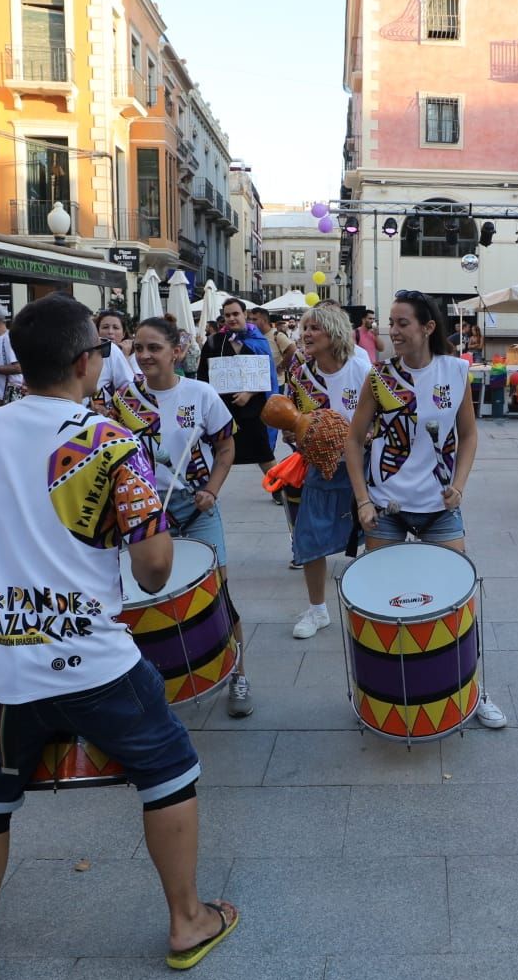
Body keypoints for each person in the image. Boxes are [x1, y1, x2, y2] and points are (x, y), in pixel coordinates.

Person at [0, 294, 237, 980]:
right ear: (88, 361)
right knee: (170, 767)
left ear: (19, 363)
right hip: (95, 660)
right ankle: (187, 920)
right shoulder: (114, 443)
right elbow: (154, 569)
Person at [343, 290, 504, 729]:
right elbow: (352, 441)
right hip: (386, 510)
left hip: (439, 507)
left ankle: (475, 691)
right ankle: (384, 696)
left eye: (401, 323)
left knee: (458, 603)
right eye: (390, 323)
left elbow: (468, 435)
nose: (392, 332)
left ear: (428, 327)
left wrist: (460, 486)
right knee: (381, 603)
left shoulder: (456, 370)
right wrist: (361, 500)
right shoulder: (379, 378)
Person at [113, 316, 253, 717]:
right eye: (137, 347)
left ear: (176, 351)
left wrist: (212, 489)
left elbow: (226, 449)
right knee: (142, 598)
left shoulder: (202, 394)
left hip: (196, 507)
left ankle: (238, 673)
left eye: (153, 348)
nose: (143, 355)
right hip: (143, 513)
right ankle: (151, 682)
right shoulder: (123, 400)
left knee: (218, 593)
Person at [280, 302, 372, 641]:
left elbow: (383, 418)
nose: (306, 334)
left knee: (374, 536)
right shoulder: (300, 376)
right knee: (309, 537)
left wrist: (363, 436)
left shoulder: (362, 371)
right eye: (305, 328)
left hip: (363, 468)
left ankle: (371, 601)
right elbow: (288, 420)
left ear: (334, 333)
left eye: (314, 328)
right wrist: (294, 434)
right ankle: (317, 610)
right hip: (320, 468)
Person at [198, 299, 276, 470]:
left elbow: (267, 377)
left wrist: (249, 394)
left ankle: (281, 492)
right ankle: (211, 494)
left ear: (245, 314)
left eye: (235, 314)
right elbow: (203, 376)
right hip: (222, 410)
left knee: (264, 454)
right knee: (219, 456)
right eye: (227, 315)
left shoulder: (259, 341)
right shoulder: (214, 342)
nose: (232, 318)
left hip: (252, 410)